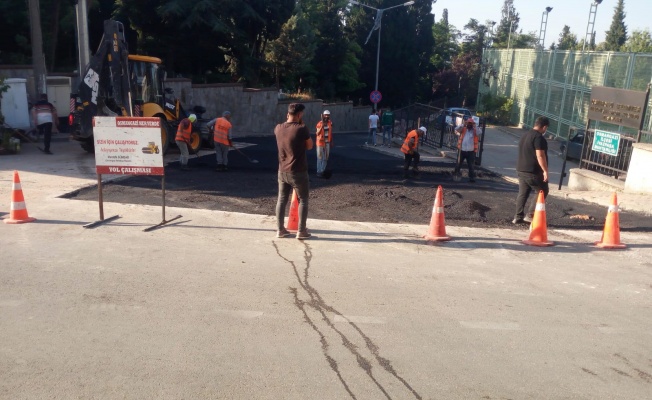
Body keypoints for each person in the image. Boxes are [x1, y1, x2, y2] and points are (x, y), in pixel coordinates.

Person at [275, 103, 314, 240]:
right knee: (303, 199)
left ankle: (280, 230)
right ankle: (301, 231)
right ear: (299, 115)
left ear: (288, 114)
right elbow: (310, 146)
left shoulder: (278, 128)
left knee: (281, 199)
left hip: (282, 170)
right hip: (298, 171)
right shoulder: (302, 128)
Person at [513, 116, 550, 224]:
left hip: (521, 169)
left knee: (523, 193)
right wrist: (545, 170)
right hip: (533, 171)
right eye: (546, 128)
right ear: (544, 127)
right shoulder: (539, 138)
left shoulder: (525, 135)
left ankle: (517, 217)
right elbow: (540, 156)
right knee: (542, 190)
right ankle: (530, 215)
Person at [454, 117, 479, 182]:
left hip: (471, 151)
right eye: (468, 123)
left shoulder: (475, 131)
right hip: (462, 150)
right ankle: (456, 175)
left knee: (471, 165)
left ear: (473, 124)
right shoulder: (463, 129)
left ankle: (471, 178)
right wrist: (463, 124)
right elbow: (456, 129)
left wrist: (475, 126)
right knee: (458, 163)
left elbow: (479, 132)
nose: (469, 125)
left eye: (471, 123)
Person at [315, 110, 333, 177]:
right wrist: (321, 127)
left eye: (328, 115)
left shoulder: (330, 123)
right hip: (320, 142)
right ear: (323, 115)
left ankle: (323, 170)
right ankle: (319, 171)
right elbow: (317, 133)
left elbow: (330, 132)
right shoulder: (319, 123)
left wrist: (331, 141)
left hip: (327, 142)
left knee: (326, 157)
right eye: (325, 115)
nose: (327, 116)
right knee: (319, 157)